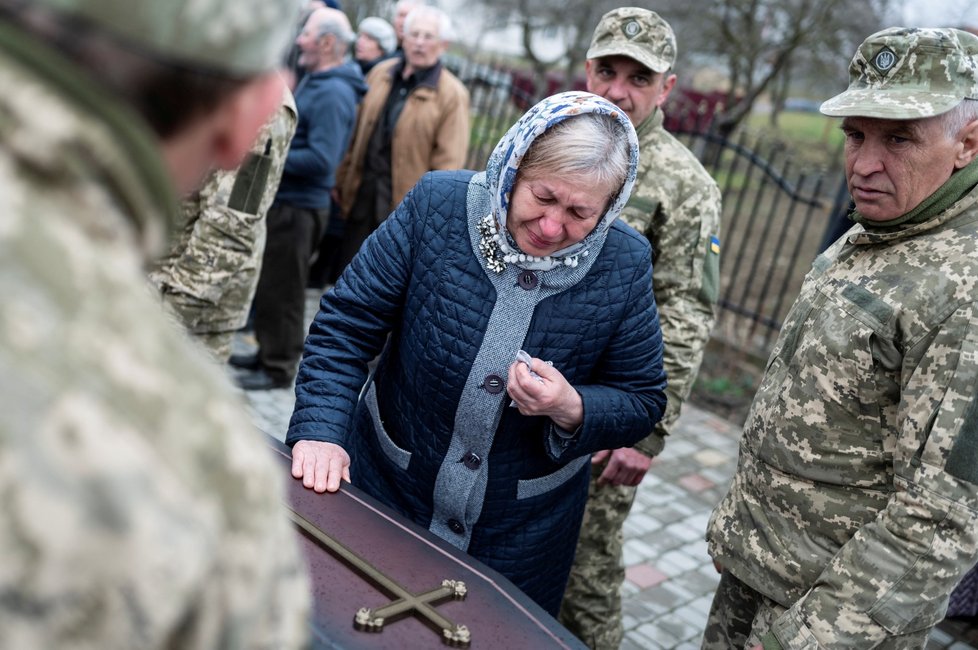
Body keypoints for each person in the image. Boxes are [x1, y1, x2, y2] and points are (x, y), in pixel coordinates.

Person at [0, 0, 310, 648]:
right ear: (233, 119)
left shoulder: (270, 117)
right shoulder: (206, 475)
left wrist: (144, 325)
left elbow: (228, 235)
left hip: (186, 307)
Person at [286, 91, 668, 616]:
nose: (553, 227)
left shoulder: (624, 262)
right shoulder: (437, 206)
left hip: (520, 536)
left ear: (608, 209)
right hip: (390, 489)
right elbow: (346, 325)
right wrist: (321, 430)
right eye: (543, 197)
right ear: (513, 169)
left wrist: (571, 407)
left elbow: (643, 398)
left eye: (580, 212)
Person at [705, 26, 978, 649]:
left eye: (899, 138)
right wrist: (739, 532)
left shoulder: (964, 284)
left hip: (829, 623)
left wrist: (806, 639)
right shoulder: (882, 228)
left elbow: (942, 517)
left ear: (968, 142)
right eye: (855, 134)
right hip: (760, 576)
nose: (863, 163)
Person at [558, 8, 722, 649]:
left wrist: (644, 433)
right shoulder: (554, 139)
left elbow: (685, 313)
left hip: (603, 410)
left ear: (667, 88)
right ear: (588, 68)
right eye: (607, 70)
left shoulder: (686, 187)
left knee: (583, 570)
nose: (617, 90)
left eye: (638, 77)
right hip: (520, 385)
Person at [235, 7, 366, 390]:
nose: (298, 40)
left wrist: (263, 156)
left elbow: (323, 159)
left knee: (285, 291)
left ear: (327, 42)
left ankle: (277, 367)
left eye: (306, 34)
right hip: (288, 203)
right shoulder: (318, 80)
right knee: (272, 285)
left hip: (300, 208)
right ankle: (265, 352)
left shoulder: (335, 92)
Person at [150, 87, 298, 362]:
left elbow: (231, 228)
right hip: (154, 279)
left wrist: (172, 315)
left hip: (189, 303)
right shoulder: (216, 76)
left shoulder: (266, 108)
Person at [332, 4, 470, 276]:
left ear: (443, 44)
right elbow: (355, 131)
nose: (419, 42)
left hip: (402, 209)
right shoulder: (380, 73)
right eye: (414, 34)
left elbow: (448, 163)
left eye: (428, 36)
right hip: (360, 197)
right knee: (346, 275)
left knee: (380, 283)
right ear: (402, 38)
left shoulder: (452, 94)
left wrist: (431, 216)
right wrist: (341, 178)